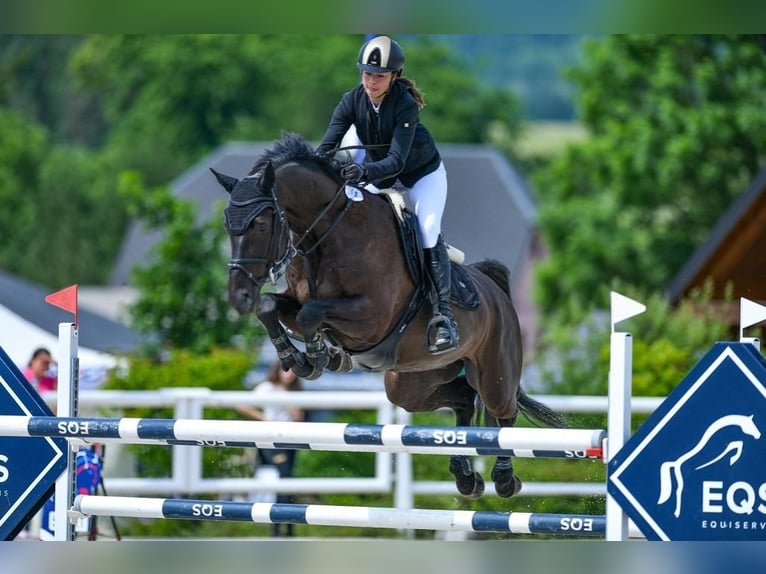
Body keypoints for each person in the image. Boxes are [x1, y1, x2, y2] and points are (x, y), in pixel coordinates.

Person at [315, 34, 459, 354]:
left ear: (393, 77)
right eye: (367, 74)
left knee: (426, 230)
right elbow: (326, 148)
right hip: (380, 177)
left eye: (379, 76)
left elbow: (396, 161)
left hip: (421, 176)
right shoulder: (351, 100)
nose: (371, 81)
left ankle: (443, 317)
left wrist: (362, 173)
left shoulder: (404, 105)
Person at [236, 360, 303, 536]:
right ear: (277, 371)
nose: (289, 375)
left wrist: (287, 398)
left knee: (287, 480)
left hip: (290, 440)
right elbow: (242, 405)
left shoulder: (295, 391)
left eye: (292, 372)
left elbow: (298, 417)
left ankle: (287, 527)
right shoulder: (266, 388)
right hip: (271, 439)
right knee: (283, 477)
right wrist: (263, 418)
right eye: (286, 371)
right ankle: (277, 527)